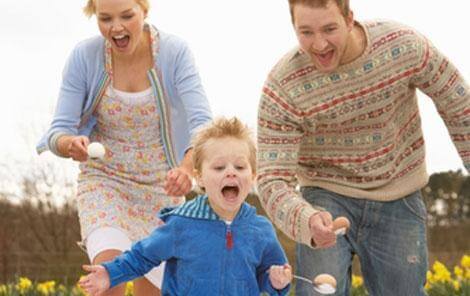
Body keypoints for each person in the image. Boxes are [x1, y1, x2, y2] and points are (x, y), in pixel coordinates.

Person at [257, 0, 470, 295]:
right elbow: (271, 180)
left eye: (329, 29)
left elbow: (460, 105)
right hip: (324, 197)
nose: (319, 44)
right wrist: (305, 220)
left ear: (349, 19)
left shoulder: (402, 46)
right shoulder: (283, 86)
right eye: (305, 32)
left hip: (398, 193)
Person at [36, 0, 212, 295]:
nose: (115, 27)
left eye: (127, 16)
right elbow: (59, 131)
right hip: (105, 182)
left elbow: (203, 123)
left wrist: (187, 168)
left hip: (161, 188)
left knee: (154, 290)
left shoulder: (174, 53)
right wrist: (71, 144)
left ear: (145, 10)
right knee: (108, 278)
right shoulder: (85, 56)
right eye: (105, 18)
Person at [78, 117, 292, 296]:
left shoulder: (261, 230)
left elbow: (269, 275)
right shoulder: (181, 223)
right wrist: (109, 274)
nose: (230, 172)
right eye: (219, 167)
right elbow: (142, 256)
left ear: (252, 175)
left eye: (240, 166)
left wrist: (277, 282)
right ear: (200, 178)